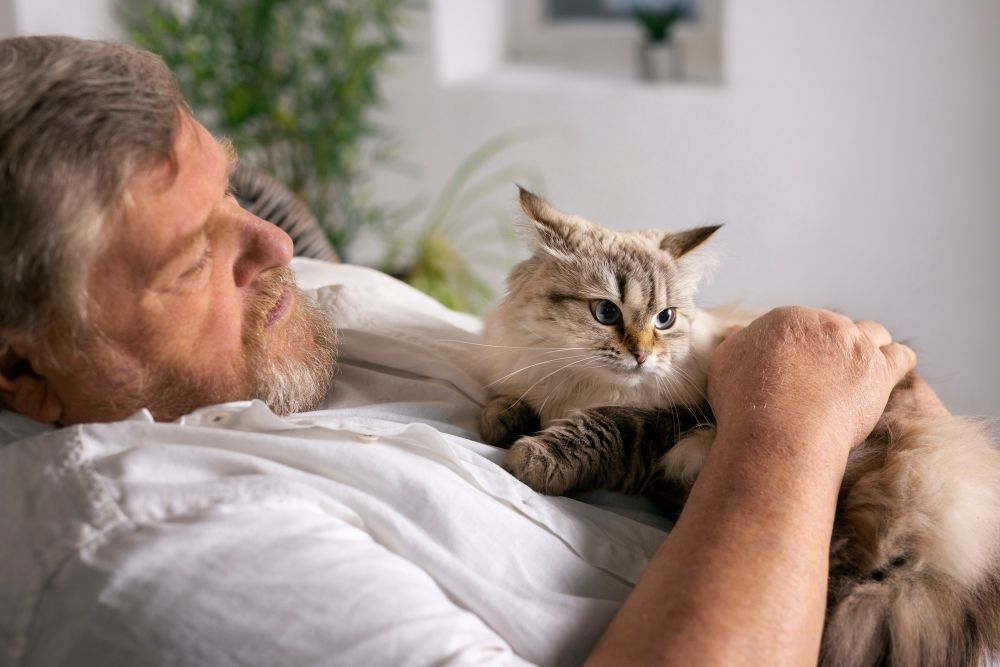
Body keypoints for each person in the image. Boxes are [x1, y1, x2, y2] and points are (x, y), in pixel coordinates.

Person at [0, 36, 937, 667]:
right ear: (22, 370)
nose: (275, 246)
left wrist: (867, 419)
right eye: (196, 253)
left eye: (230, 190)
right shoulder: (148, 552)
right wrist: (795, 431)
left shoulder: (283, 311)